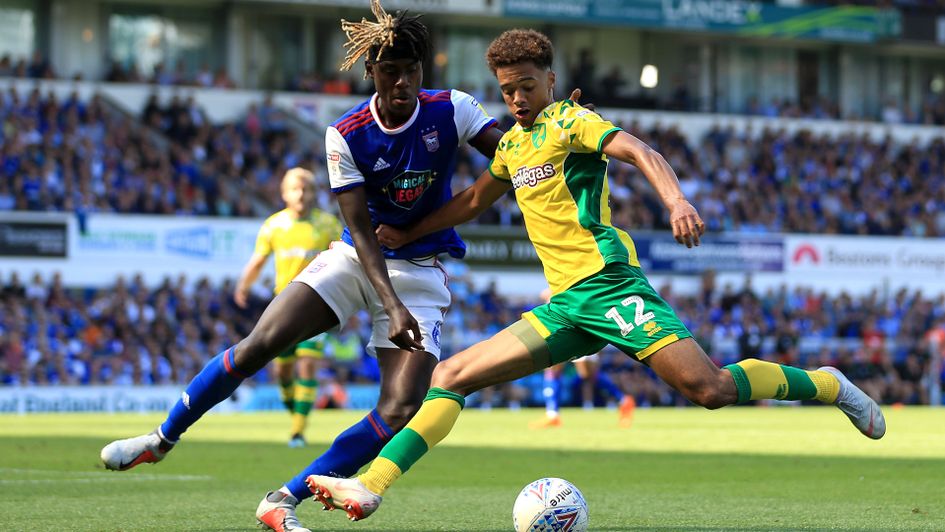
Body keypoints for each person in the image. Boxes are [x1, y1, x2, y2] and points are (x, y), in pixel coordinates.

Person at [303, 28, 887, 523]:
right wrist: (407, 233)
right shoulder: (514, 144)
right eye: (508, 91)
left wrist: (676, 200)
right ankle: (371, 485)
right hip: (565, 306)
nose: (518, 99)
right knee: (451, 375)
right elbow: (476, 199)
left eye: (527, 86)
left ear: (550, 81)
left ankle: (829, 384)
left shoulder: (570, 121)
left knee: (708, 390)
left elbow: (639, 151)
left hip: (609, 286)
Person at [99, 3, 514, 531]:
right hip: (355, 260)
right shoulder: (345, 133)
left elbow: (509, 154)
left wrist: (548, 128)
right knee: (259, 344)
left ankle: (282, 500)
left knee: (402, 406)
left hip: (422, 269)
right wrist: (390, 305)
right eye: (391, 70)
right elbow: (360, 229)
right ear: (371, 72)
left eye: (412, 69)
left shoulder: (453, 108)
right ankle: (161, 439)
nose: (403, 81)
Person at [233, 167, 342, 447]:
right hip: (283, 304)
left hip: (318, 304)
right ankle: (297, 413)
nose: (301, 194)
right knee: (283, 372)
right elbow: (258, 260)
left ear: (315, 193)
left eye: (307, 189)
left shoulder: (328, 225)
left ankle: (297, 431)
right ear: (284, 194)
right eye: (295, 189)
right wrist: (244, 284)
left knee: (307, 365)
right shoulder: (273, 226)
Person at [529, 288, 635, 429]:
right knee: (554, 369)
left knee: (587, 374)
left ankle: (623, 401)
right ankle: (552, 415)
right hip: (562, 326)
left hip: (581, 325)